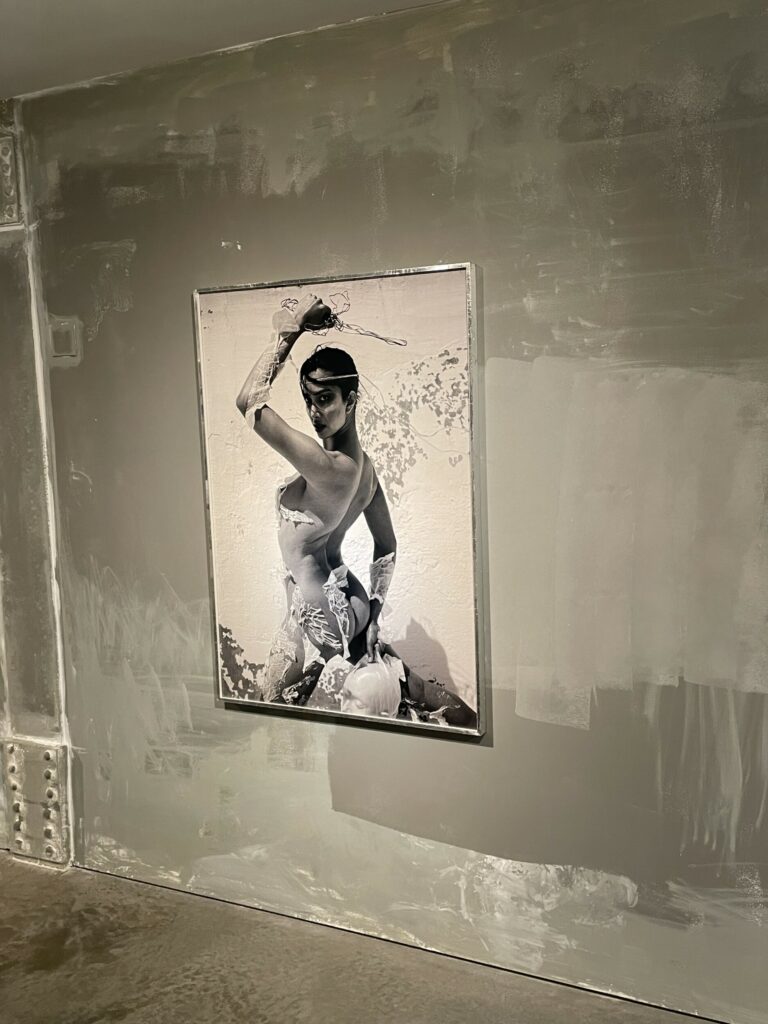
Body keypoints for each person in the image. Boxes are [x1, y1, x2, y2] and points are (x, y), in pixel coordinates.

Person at [235, 293, 476, 729]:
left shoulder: (327, 467)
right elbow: (387, 545)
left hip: (323, 618)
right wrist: (375, 612)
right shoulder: (363, 470)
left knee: (269, 717)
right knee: (415, 693)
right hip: (348, 604)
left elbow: (248, 400)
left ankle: (481, 736)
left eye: (325, 398)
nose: (314, 412)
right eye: (307, 399)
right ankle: (481, 731)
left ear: (351, 399)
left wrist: (294, 328)